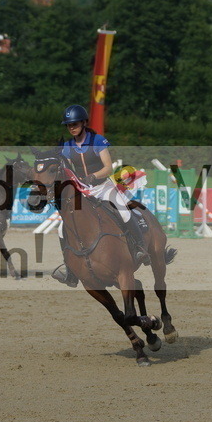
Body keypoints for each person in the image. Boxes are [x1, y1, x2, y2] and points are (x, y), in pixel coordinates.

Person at [52, 104, 149, 287]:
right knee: (61, 227)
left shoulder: (97, 140)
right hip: (83, 190)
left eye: (74, 124)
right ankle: (69, 269)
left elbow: (108, 167)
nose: (71, 127)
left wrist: (93, 176)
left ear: (83, 122)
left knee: (124, 212)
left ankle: (139, 249)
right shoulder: (67, 146)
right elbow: (64, 168)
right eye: (69, 125)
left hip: (103, 187)